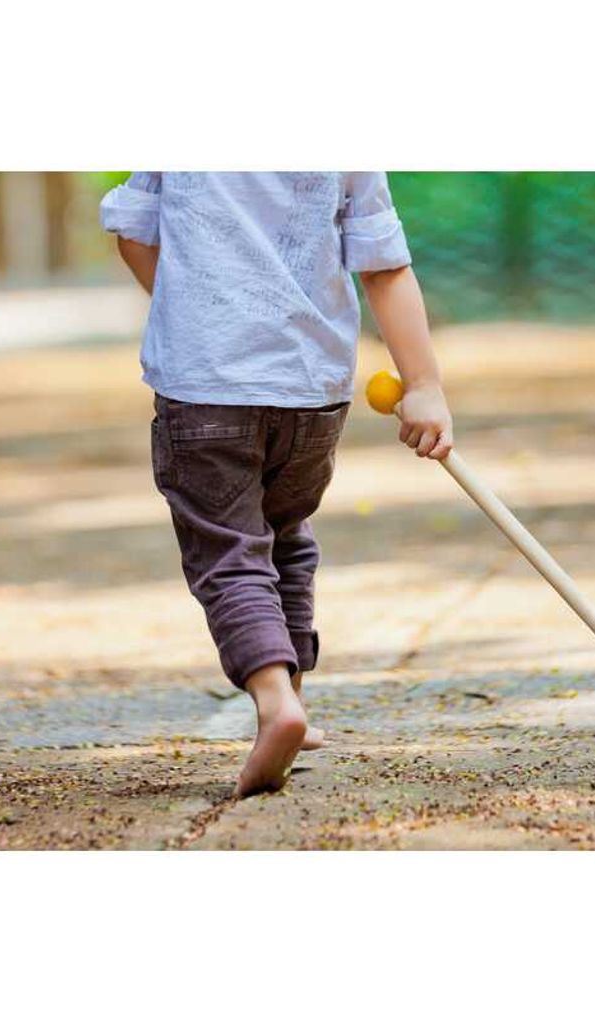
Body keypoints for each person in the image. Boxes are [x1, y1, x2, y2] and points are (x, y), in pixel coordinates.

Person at [100, 172, 453, 797]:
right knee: (283, 532)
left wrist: (193, 317)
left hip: (205, 390)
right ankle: (294, 692)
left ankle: (273, 702)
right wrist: (422, 385)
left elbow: (131, 231)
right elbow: (385, 268)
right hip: (311, 395)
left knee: (229, 553)